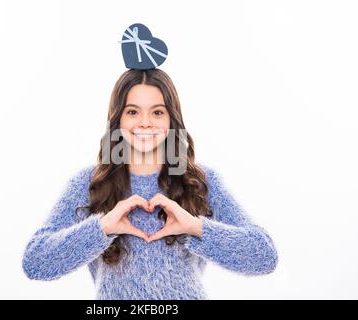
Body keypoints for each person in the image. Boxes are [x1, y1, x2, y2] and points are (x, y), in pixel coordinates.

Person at [22, 23, 278, 299]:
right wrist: (102, 228)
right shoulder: (90, 183)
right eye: (133, 112)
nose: (145, 122)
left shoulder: (200, 182)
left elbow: (264, 256)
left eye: (157, 112)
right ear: (118, 119)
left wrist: (194, 227)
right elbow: (35, 262)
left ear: (171, 120)